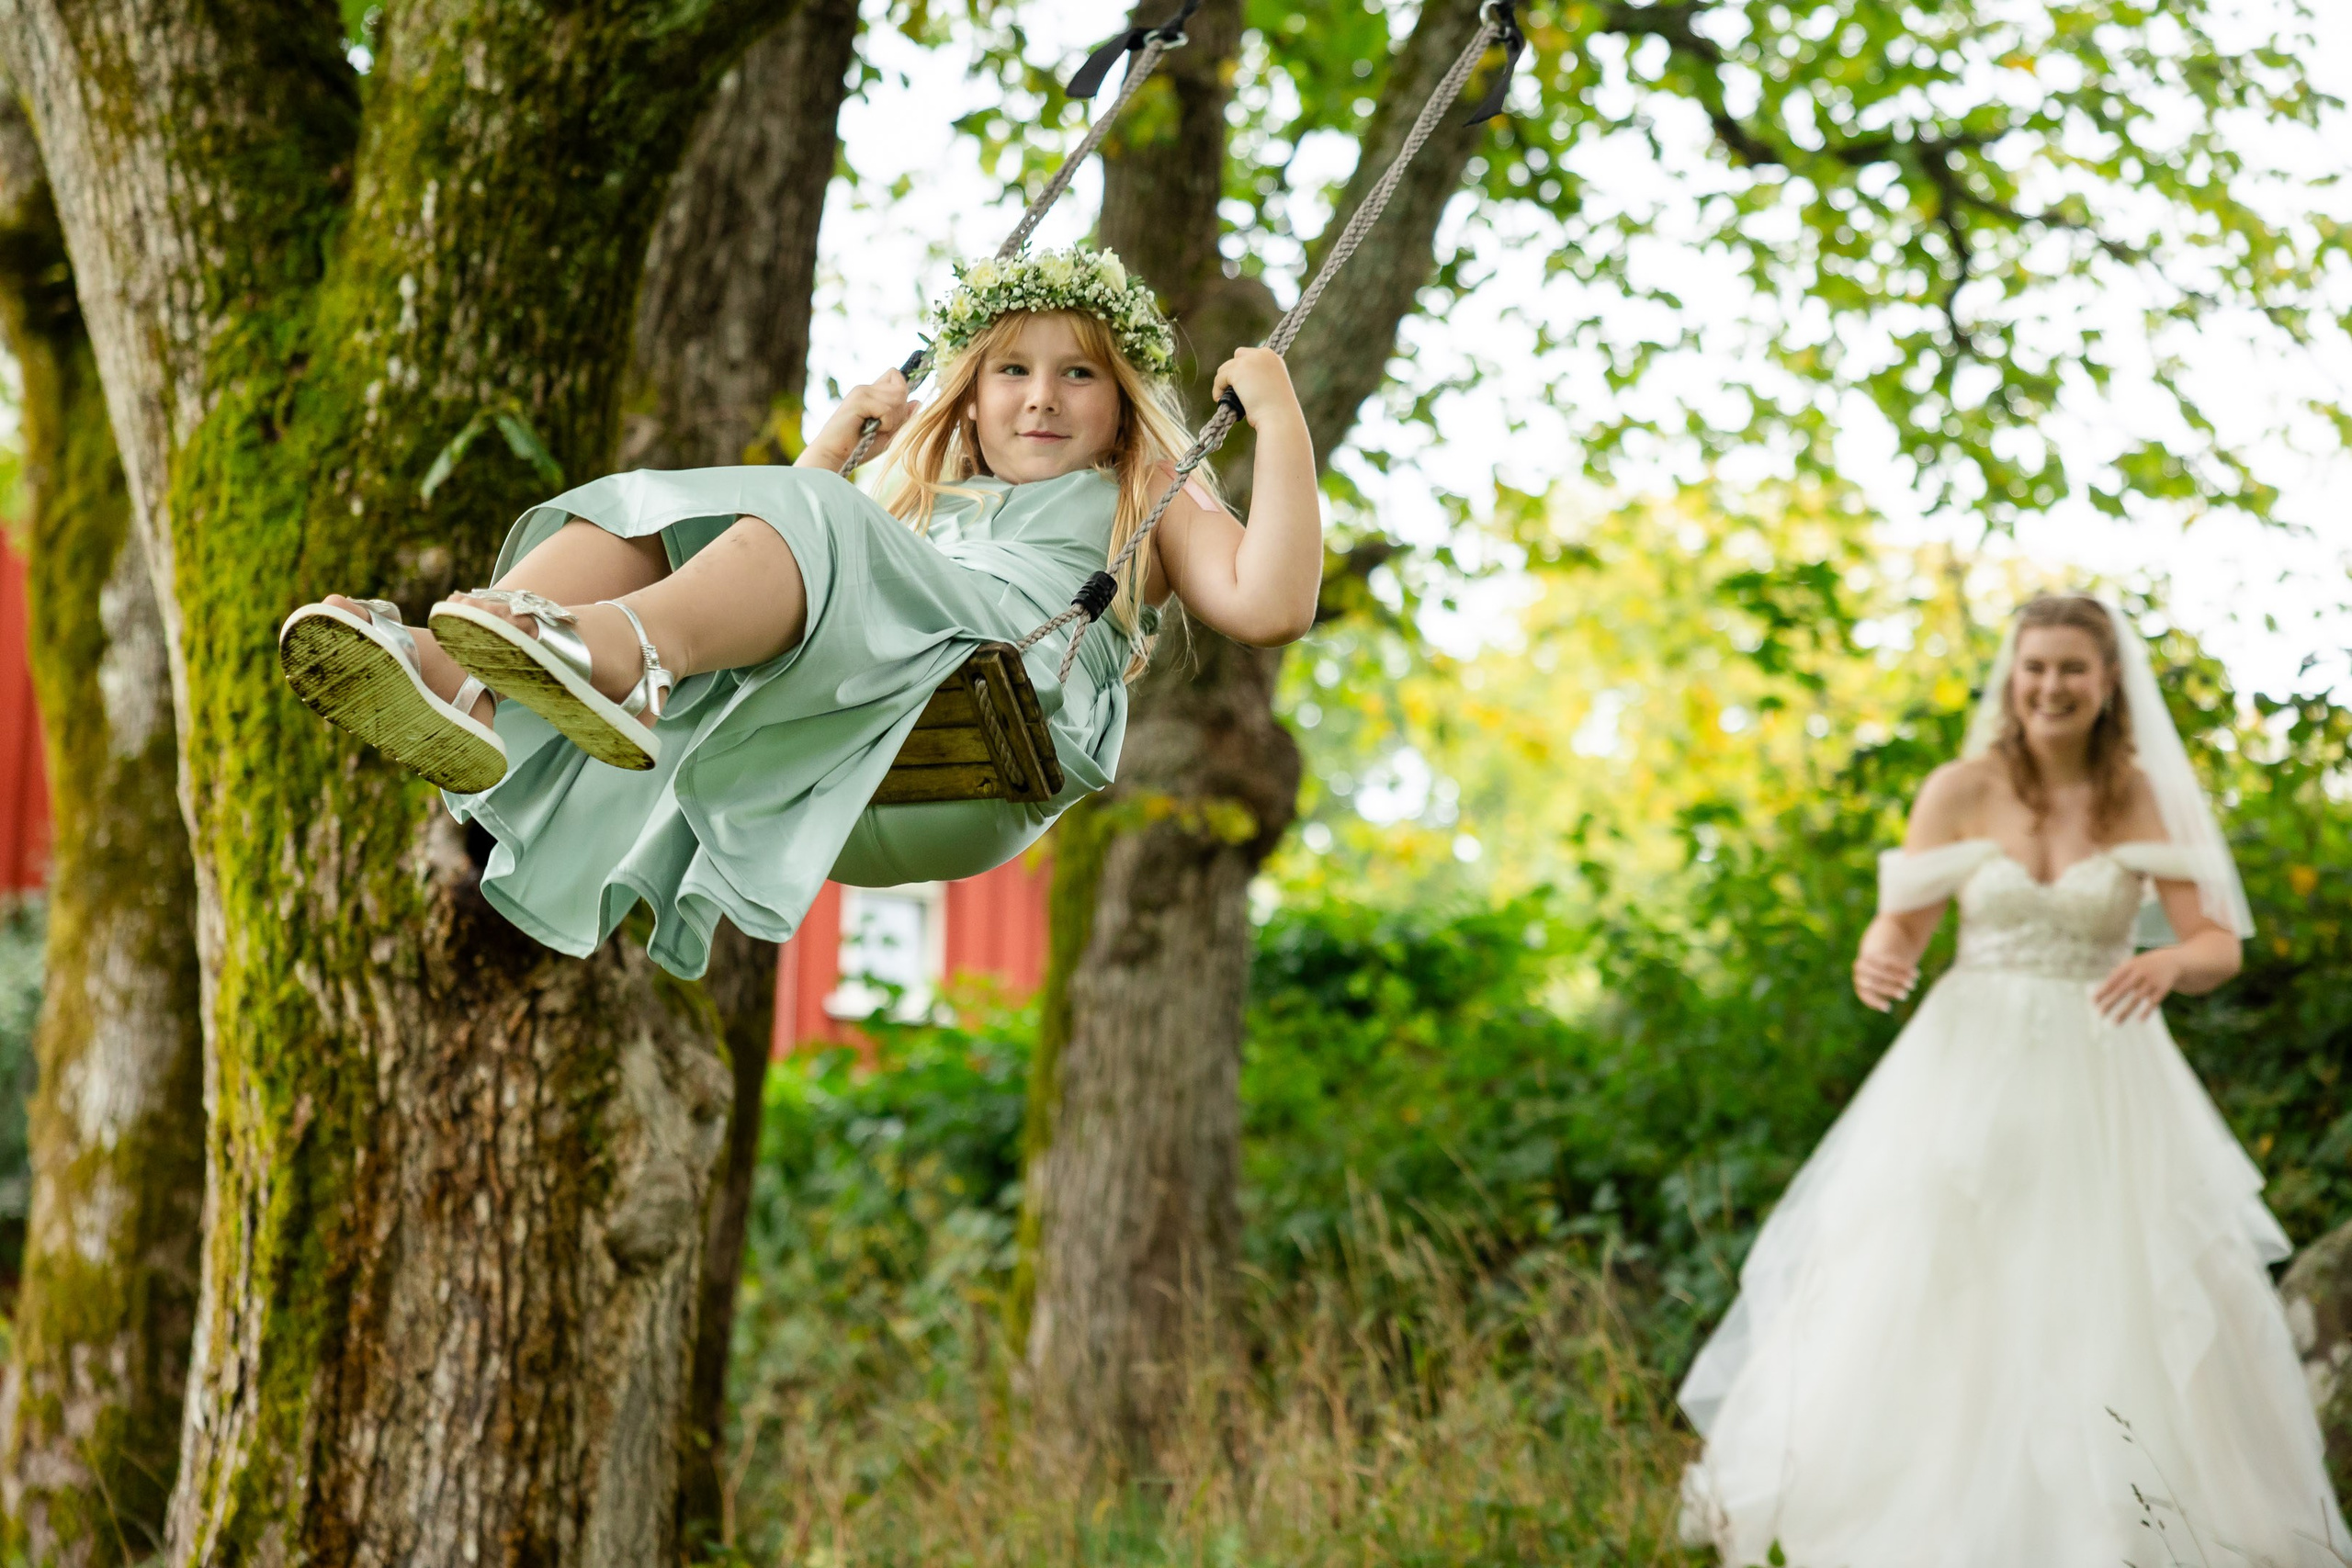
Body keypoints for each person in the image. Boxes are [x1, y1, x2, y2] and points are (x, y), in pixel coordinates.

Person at [278, 246, 1324, 978]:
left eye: (1077, 374)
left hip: (992, 725)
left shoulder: (1147, 487)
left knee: (814, 520)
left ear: (1120, 397)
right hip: (839, 757)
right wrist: (828, 455)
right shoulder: (925, 505)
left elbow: (1270, 604)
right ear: (968, 394)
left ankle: (631, 655)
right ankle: (457, 675)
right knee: (658, 508)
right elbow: (767, 560)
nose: (1040, 397)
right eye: (1011, 369)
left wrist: (1276, 420)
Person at [1677, 594, 2350, 1566]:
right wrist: (1879, 956)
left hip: (2105, 1075)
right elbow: (1900, 919)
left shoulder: (2142, 796)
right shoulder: (1958, 787)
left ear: (2107, 681)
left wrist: (2168, 963)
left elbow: (2214, 943)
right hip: (1961, 1072)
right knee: (1930, 1278)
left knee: (2105, 1285)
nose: (2050, 686)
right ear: (2011, 675)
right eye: (2034, 666)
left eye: (2072, 668)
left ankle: (2112, 1520)